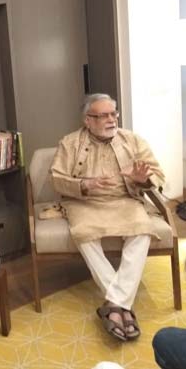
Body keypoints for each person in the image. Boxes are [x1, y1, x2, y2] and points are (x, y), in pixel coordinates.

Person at [50, 93, 164, 342]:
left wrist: (143, 180)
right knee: (84, 234)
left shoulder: (132, 140)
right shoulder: (70, 143)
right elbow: (56, 179)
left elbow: (156, 173)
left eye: (114, 114)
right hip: (85, 203)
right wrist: (84, 184)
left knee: (142, 230)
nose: (112, 120)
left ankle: (114, 305)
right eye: (104, 116)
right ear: (88, 120)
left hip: (125, 200)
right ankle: (123, 306)